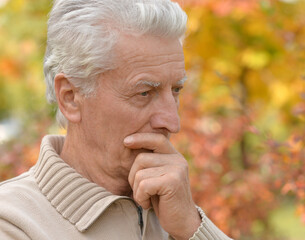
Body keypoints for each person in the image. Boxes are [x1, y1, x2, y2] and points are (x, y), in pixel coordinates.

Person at [0, 0, 232, 239]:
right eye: (144, 93)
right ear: (70, 97)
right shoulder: (11, 223)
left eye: (175, 90)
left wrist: (192, 228)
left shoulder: (176, 212)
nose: (173, 122)